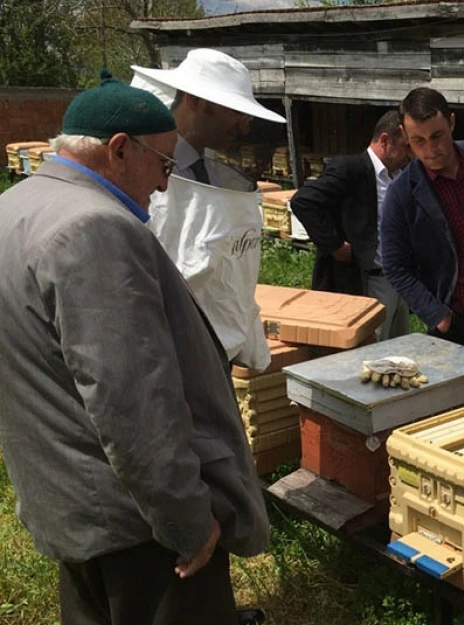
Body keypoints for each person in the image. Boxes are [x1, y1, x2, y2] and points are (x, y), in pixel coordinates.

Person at [0, 70, 268, 625]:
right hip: (142, 535)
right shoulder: (95, 229)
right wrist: (189, 524)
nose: (167, 185)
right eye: (164, 164)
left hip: (69, 506)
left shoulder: (17, 205)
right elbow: (134, 407)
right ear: (119, 150)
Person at [132, 48, 287, 371]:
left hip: (214, 346)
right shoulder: (145, 170)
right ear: (196, 101)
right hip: (167, 350)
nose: (245, 126)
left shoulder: (214, 173)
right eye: (236, 112)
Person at [381, 87, 464, 350]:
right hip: (458, 320)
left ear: (451, 122)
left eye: (437, 136)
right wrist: (440, 317)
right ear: (405, 136)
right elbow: (395, 266)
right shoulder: (401, 194)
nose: (431, 149)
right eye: (418, 141)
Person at [291, 110, 412, 340]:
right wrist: (334, 244)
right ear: (386, 141)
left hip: (400, 280)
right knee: (373, 351)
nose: (412, 154)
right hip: (369, 281)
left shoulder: (400, 175)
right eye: (407, 146)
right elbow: (304, 201)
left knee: (399, 348)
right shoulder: (351, 169)